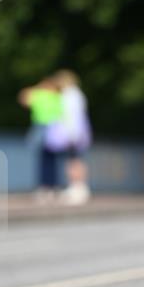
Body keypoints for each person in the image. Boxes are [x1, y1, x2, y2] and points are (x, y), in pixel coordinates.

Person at [49, 70, 93, 205]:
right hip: (75, 132)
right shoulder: (75, 94)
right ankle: (77, 187)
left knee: (74, 160)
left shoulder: (70, 95)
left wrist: (72, 134)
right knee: (75, 159)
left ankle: (78, 188)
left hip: (72, 133)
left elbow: (72, 116)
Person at [17, 77, 64, 196]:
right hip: (48, 127)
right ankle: (49, 186)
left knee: (47, 159)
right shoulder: (52, 96)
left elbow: (23, 97)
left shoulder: (46, 95)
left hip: (50, 128)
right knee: (49, 159)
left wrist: (38, 87)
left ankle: (48, 186)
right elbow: (23, 99)